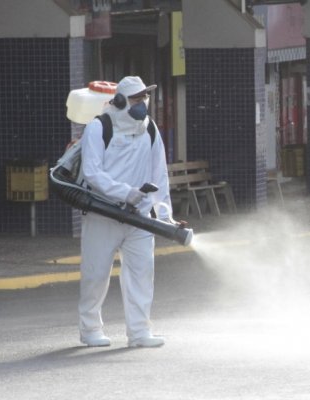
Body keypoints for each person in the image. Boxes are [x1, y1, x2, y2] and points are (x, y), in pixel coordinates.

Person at [77, 76, 173, 348]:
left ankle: (140, 332)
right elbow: (92, 173)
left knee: (142, 273)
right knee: (96, 274)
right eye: (135, 99)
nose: (142, 104)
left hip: (139, 216)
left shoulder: (150, 129)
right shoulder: (99, 127)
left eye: (144, 97)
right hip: (103, 213)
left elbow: (160, 174)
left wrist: (164, 214)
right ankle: (90, 329)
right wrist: (125, 192)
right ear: (119, 101)